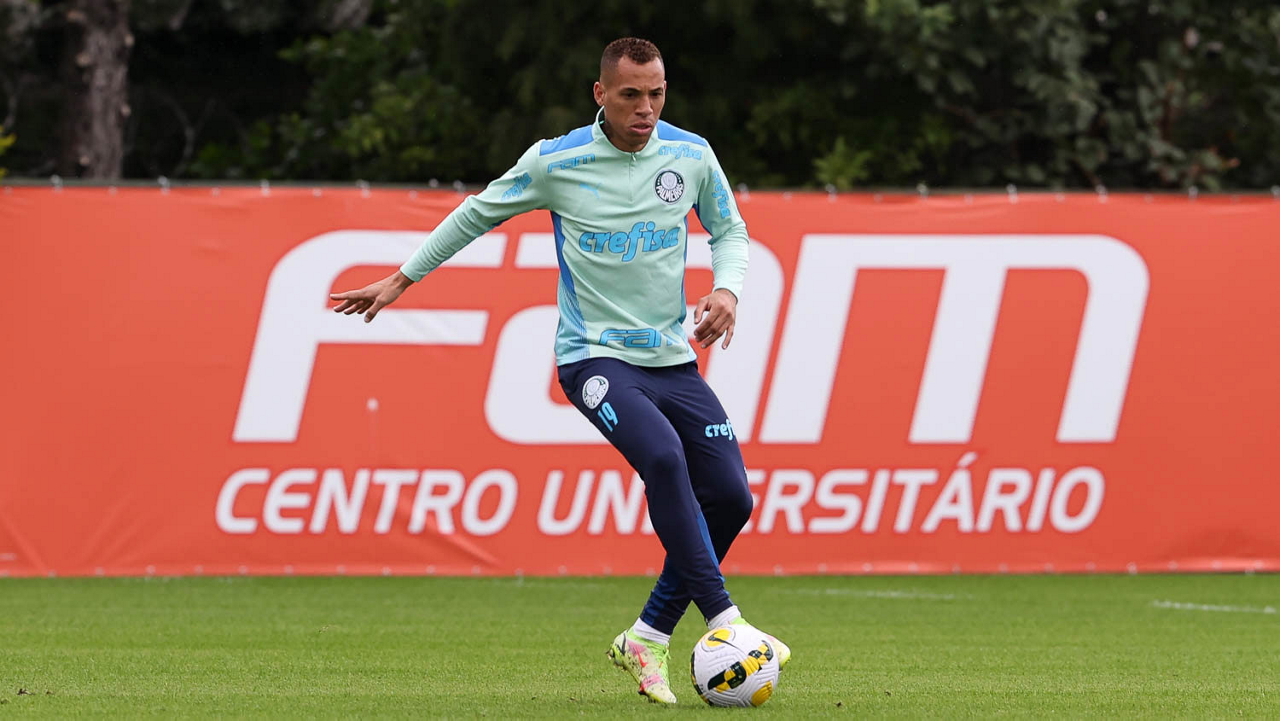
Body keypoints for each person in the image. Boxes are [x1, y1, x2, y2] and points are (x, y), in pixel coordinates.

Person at [329, 37, 789, 704]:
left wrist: (728, 289)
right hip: (593, 357)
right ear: (600, 94)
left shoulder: (690, 155)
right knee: (663, 458)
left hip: (671, 359)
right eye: (630, 95)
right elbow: (476, 213)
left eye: (656, 93)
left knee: (731, 497)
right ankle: (726, 620)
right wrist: (401, 279)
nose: (646, 108)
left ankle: (648, 635)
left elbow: (731, 230)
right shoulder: (557, 160)